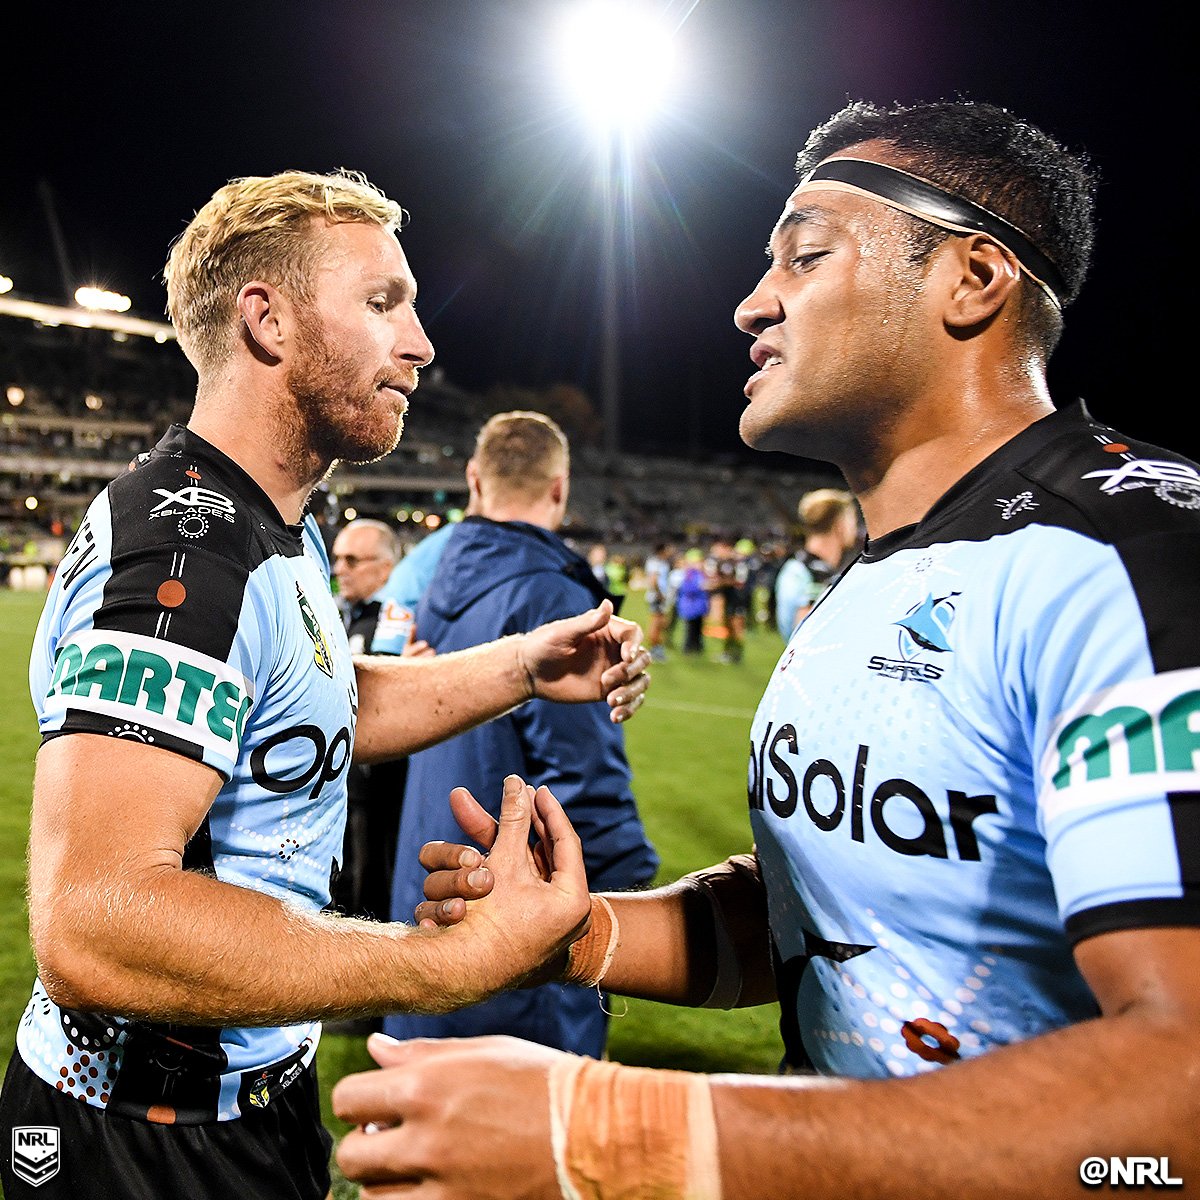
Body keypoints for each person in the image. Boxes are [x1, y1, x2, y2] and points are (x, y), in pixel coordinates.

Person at [332, 99, 1199, 1197]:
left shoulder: (1132, 554)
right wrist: (578, 935)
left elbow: (1182, 1090)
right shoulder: (871, 578)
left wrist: (621, 1135)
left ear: (973, 279)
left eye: (806, 255)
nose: (753, 302)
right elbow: (827, 916)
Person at [0, 168, 650, 1200]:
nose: (421, 343)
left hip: (248, 1093)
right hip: (146, 1137)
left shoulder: (268, 521)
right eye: (383, 302)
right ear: (268, 321)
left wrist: (524, 665)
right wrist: (442, 965)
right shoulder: (186, 553)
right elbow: (96, 921)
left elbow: (310, 702)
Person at [384, 411, 660, 1058]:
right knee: (524, 1112)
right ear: (560, 488)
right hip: (515, 915)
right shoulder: (552, 598)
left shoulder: (436, 580)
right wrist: (627, 885)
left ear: (474, 480)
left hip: (431, 884)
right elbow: (582, 785)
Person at [773, 486, 861, 636]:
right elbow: (808, 634)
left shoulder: (797, 567)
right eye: (853, 520)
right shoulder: (815, 573)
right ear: (839, 525)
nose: (856, 528)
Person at [641, 541, 675, 660]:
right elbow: (654, 580)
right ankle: (654, 649)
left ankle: (657, 647)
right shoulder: (655, 562)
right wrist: (659, 594)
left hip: (660, 596)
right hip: (657, 597)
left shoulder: (662, 562)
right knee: (656, 623)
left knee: (661, 623)